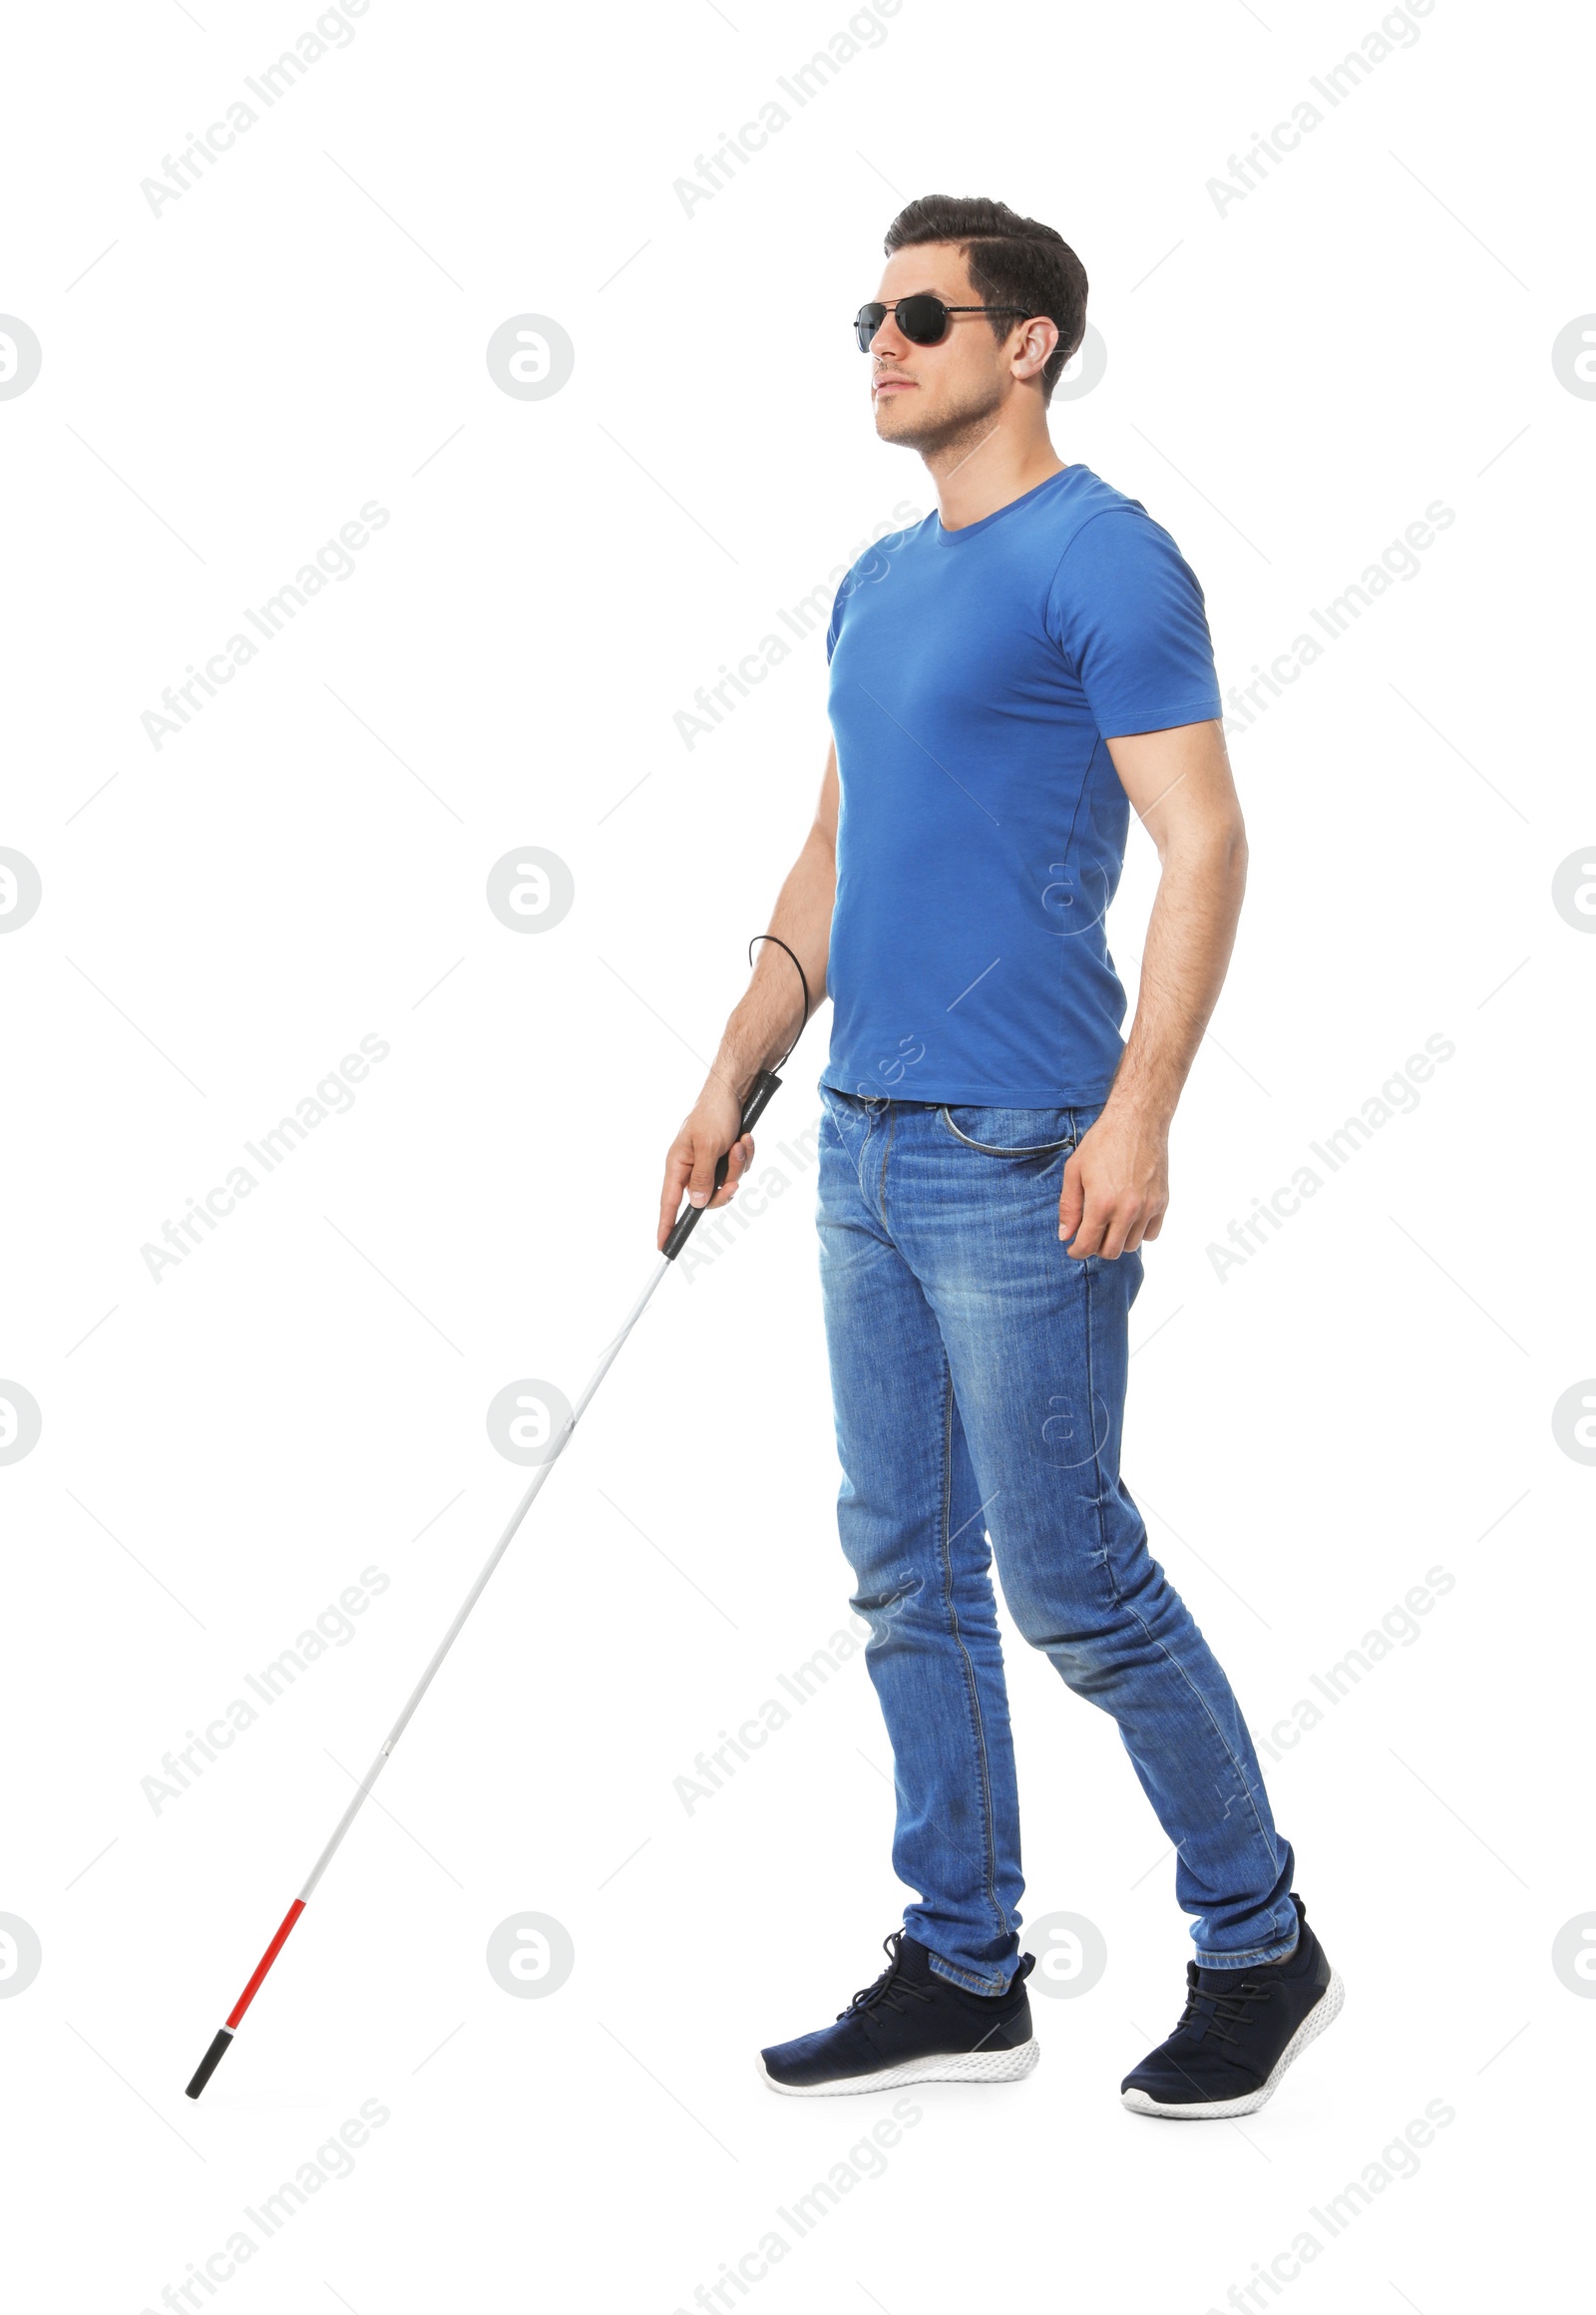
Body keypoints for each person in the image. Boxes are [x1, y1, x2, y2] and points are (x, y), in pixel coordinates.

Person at [655, 194, 1342, 2120]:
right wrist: (733, 1073)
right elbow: (829, 856)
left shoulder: (1106, 560)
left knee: (1073, 1576)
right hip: (863, 1139)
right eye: (866, 314)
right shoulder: (879, 583)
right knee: (903, 1572)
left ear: (1027, 340)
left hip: (1020, 1146)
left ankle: (1257, 1935)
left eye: (924, 313)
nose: (883, 341)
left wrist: (1144, 1108)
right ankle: (963, 1964)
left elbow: (1204, 840)